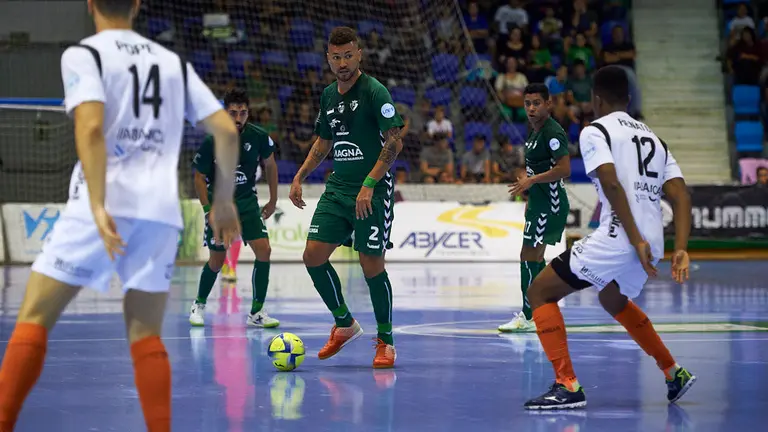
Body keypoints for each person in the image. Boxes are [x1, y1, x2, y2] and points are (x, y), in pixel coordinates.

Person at [0, 0, 241, 430]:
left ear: (90, 4)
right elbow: (225, 130)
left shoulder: (85, 53)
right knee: (146, 334)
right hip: (160, 213)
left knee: (34, 316)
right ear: (137, 5)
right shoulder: (173, 63)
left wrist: (96, 203)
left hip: (106, 204)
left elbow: (90, 127)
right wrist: (223, 203)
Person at [522, 65, 696, 410]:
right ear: (629, 100)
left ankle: (567, 385)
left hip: (622, 236)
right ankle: (673, 371)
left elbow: (611, 182)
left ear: (596, 99)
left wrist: (635, 240)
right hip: (653, 240)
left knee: (539, 292)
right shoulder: (655, 139)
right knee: (612, 300)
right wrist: (681, 249)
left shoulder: (595, 131)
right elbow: (681, 196)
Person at [289, 26, 404, 369]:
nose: (342, 62)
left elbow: (394, 141)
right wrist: (299, 177)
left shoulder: (374, 91)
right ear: (328, 58)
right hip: (338, 189)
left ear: (359, 55)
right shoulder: (327, 95)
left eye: (348, 55)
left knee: (371, 265)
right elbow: (324, 143)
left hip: (372, 190)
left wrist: (370, 182)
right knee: (312, 255)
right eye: (336, 57)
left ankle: (386, 341)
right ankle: (344, 323)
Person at [189, 88, 280, 328]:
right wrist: (207, 209)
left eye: (242, 113)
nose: (238, 118)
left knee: (264, 250)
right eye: (233, 113)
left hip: (247, 202)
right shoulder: (213, 140)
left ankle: (257, 312)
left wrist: (273, 200)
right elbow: (199, 177)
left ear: (248, 113)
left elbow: (270, 165)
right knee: (217, 261)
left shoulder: (259, 136)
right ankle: (198, 305)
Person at [499, 83, 571, 333]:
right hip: (538, 203)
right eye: (527, 103)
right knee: (534, 257)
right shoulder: (535, 131)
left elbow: (565, 169)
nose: (531, 108)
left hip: (549, 204)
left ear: (548, 104)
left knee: (529, 256)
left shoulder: (552, 132)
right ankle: (540, 310)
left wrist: (532, 179)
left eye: (536, 103)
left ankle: (529, 316)